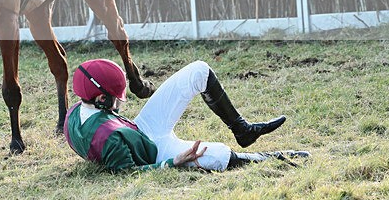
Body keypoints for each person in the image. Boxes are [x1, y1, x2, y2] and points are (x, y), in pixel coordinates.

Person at [64, 59, 309, 172]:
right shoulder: (109, 138)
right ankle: (273, 157)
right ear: (101, 98)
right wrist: (173, 162)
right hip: (156, 151)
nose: (119, 102)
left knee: (199, 71)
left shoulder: (74, 113)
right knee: (218, 155)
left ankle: (242, 129)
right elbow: (126, 173)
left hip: (139, 130)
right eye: (115, 98)